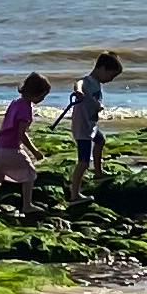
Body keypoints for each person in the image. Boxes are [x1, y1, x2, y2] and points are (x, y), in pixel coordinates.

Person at [0, 71, 53, 213]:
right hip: (11, 148)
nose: (42, 99)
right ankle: (27, 205)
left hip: (0, 146)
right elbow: (21, 134)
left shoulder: (16, 103)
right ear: (36, 93)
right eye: (43, 96)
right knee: (30, 173)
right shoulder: (26, 109)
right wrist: (35, 151)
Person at [60, 53, 123, 200]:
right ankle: (75, 194)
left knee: (101, 140)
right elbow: (78, 83)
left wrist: (97, 107)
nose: (110, 80)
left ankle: (98, 172)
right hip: (83, 128)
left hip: (91, 125)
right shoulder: (87, 81)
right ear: (102, 68)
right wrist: (78, 91)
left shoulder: (97, 84)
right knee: (83, 162)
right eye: (111, 76)